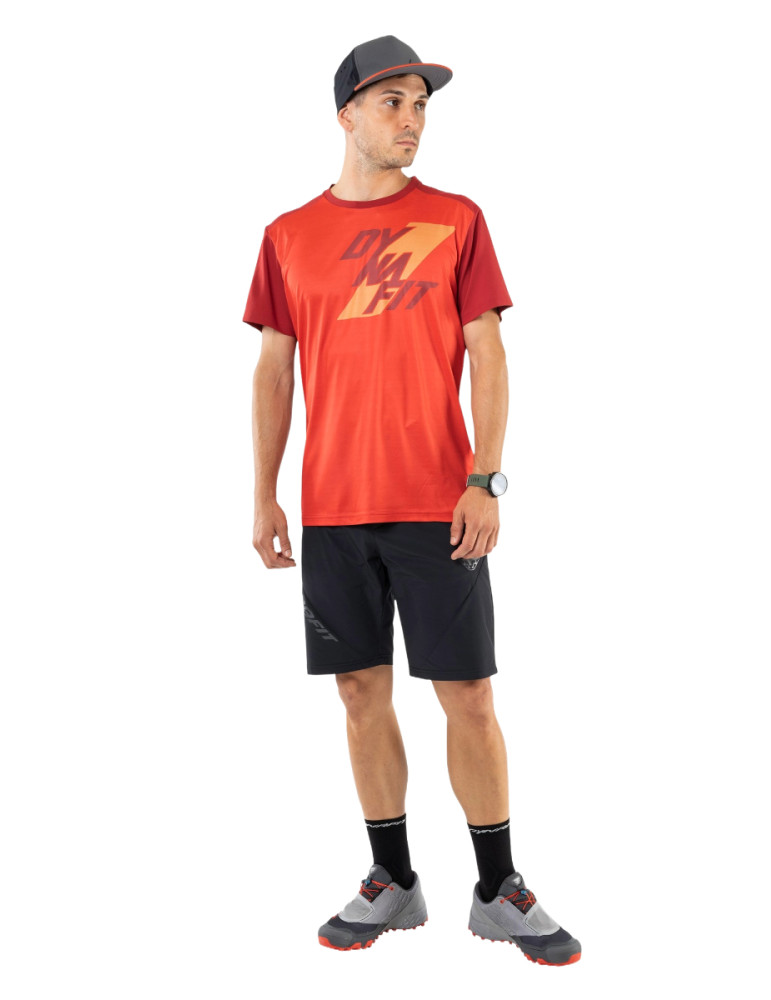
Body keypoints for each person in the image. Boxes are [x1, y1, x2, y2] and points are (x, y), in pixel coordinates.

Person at [242, 35, 580, 966]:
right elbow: (273, 371)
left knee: (467, 693)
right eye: (392, 102)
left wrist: (485, 477)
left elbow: (490, 353)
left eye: (421, 105)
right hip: (332, 509)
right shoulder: (287, 235)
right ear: (346, 114)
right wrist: (264, 495)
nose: (412, 121)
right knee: (360, 692)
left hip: (439, 503)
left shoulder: (456, 219)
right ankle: (392, 878)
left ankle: (498, 887)